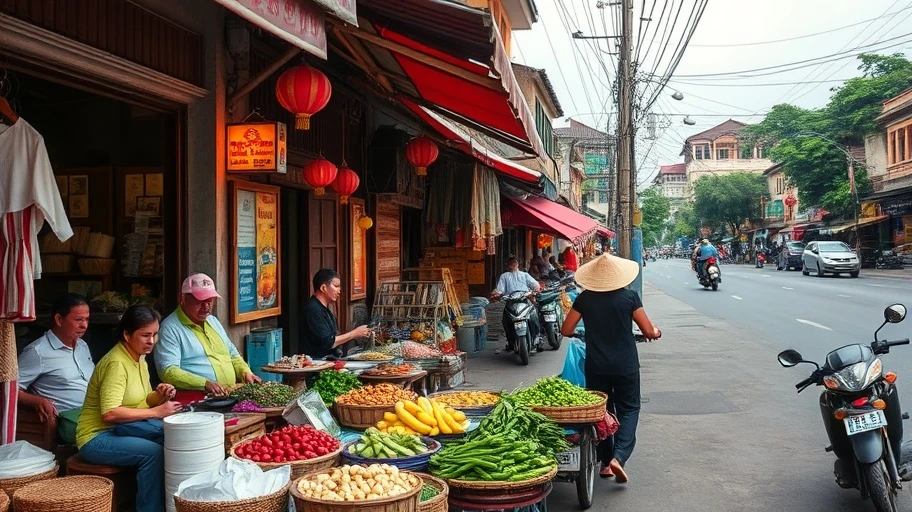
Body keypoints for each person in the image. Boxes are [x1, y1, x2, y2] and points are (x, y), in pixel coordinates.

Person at [560, 253, 661, 483]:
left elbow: (566, 330)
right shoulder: (629, 298)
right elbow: (648, 331)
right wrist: (656, 332)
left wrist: (582, 333)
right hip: (625, 365)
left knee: (602, 412)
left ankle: (605, 463)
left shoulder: (584, 299)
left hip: (596, 366)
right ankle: (620, 456)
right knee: (629, 409)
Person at [76, 305, 182, 512]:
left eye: (155, 334)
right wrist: (156, 412)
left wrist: (159, 395)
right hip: (97, 437)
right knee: (154, 453)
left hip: (125, 429)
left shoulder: (139, 358)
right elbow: (110, 413)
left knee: (171, 438)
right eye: (145, 335)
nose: (152, 341)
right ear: (126, 334)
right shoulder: (116, 363)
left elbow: (141, 401)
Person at [155, 273, 260, 397]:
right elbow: (168, 371)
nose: (206, 307)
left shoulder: (212, 321)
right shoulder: (170, 328)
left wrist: (245, 372)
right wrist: (204, 383)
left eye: (209, 301)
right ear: (182, 299)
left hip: (228, 395)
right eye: (199, 302)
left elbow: (233, 354)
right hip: (196, 400)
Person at [17, 293, 95, 443]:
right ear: (59, 319)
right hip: (73, 420)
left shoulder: (82, 345)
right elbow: (8, 389)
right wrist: (36, 401)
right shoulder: (38, 352)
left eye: (86, 319)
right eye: (78, 320)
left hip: (98, 411)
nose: (84, 325)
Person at [302, 269, 371, 358]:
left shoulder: (323, 308)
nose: (339, 290)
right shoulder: (313, 310)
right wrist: (354, 333)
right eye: (336, 286)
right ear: (323, 288)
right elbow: (328, 343)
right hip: (318, 363)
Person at [490, 256, 541, 353]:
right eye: (511, 263)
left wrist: (535, 290)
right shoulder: (504, 276)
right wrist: (496, 294)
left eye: (514, 263)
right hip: (511, 302)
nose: (513, 265)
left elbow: (535, 285)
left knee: (534, 316)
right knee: (506, 321)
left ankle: (537, 338)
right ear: (508, 266)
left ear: (517, 264)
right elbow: (500, 290)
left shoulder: (524, 275)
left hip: (525, 300)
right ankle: (511, 342)